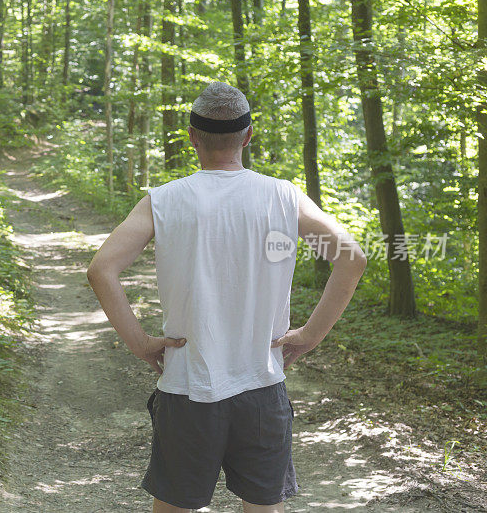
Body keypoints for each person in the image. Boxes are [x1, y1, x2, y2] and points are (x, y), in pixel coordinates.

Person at [86, 82, 367, 512]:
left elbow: (101, 269)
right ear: (248, 136)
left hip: (186, 386)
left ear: (192, 136)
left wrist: (140, 344)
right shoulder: (284, 197)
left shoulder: (163, 201)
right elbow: (352, 258)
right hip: (261, 385)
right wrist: (309, 335)